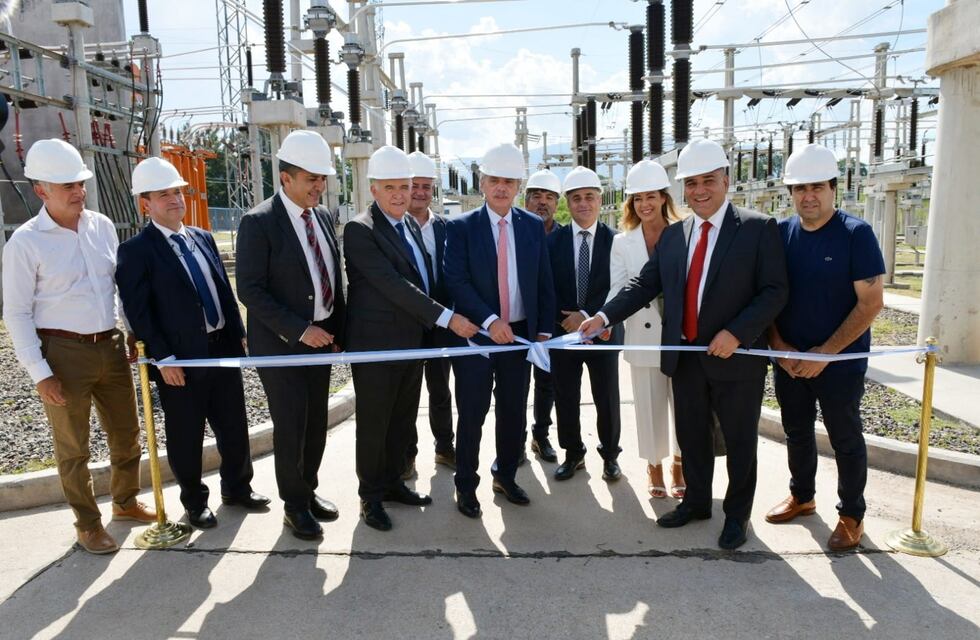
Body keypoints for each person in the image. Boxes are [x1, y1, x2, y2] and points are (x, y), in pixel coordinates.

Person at [580, 138, 788, 550]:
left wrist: (737, 333)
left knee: (740, 442)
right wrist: (603, 317)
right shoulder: (676, 236)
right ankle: (696, 502)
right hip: (686, 358)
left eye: (708, 180)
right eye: (691, 183)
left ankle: (736, 515)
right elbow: (642, 285)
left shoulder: (757, 228)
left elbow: (774, 291)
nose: (699, 190)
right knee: (692, 437)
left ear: (725, 180)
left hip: (736, 359)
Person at [2, 139, 155, 554]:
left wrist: (129, 330)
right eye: (67, 185)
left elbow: (115, 289)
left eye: (80, 183)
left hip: (110, 346)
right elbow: (16, 313)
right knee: (73, 447)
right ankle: (87, 525)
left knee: (126, 433)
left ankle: (125, 502)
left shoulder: (101, 226)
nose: (78, 191)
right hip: (62, 353)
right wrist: (41, 374)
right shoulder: (26, 243)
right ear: (41, 190)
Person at [116, 157, 269, 530]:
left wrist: (239, 332)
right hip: (180, 359)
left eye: (177, 192)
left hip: (222, 348)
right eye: (163, 194)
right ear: (145, 204)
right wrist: (163, 358)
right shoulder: (137, 251)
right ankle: (195, 502)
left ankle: (237, 488)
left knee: (233, 425)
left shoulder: (202, 237)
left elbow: (223, 290)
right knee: (186, 433)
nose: (174, 200)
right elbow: (139, 312)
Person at [344, 146, 478, 531]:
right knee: (375, 425)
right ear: (373, 189)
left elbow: (425, 280)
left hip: (410, 344)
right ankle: (370, 498)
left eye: (404, 186)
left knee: (401, 422)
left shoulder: (408, 226)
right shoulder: (361, 230)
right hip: (376, 348)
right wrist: (448, 318)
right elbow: (393, 285)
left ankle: (392, 484)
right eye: (390, 187)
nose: (400, 194)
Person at [764, 143, 885, 551]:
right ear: (791, 193)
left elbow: (871, 303)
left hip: (840, 363)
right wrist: (779, 347)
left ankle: (851, 515)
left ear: (834, 188)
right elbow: (769, 295)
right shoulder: (781, 234)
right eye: (800, 188)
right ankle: (802, 496)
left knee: (844, 437)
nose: (808, 196)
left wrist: (825, 354)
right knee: (796, 432)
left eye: (816, 186)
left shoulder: (855, 235)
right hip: (790, 362)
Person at [235, 130, 346, 541]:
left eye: (322, 178)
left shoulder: (321, 217)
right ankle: (294, 505)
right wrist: (300, 330)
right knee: (291, 425)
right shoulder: (259, 222)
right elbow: (250, 290)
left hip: (321, 342)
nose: (319, 186)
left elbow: (332, 277)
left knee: (315, 423)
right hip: (282, 347)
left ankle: (308, 490)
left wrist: (336, 329)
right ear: (286, 177)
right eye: (311, 178)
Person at [444, 143, 556, 519]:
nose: (501, 187)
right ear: (482, 183)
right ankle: (465, 485)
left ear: (519, 185)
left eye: (509, 181)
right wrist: (490, 321)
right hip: (476, 335)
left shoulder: (531, 226)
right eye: (494, 180)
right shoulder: (461, 227)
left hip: (519, 336)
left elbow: (543, 280)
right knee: (472, 413)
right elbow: (456, 281)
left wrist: (543, 331)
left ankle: (505, 476)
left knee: (513, 412)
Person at [608, 159, 685, 498]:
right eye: (637, 198)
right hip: (642, 335)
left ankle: (680, 464)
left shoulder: (685, 232)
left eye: (651, 196)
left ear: (664, 197)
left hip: (681, 336)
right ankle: (654, 465)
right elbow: (619, 288)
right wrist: (605, 320)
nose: (644, 204)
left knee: (684, 405)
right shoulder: (622, 242)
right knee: (648, 406)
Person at [548, 166, 623, 482]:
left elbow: (621, 287)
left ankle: (610, 455)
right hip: (564, 333)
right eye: (576, 198)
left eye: (589, 197)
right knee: (566, 396)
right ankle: (573, 453)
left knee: (607, 397)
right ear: (568, 202)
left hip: (604, 333)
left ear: (600, 199)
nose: (583, 203)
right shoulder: (553, 242)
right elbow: (546, 288)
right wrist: (567, 320)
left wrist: (592, 316)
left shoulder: (617, 241)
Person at [404, 150, 457, 473]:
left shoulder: (445, 228)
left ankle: (445, 447)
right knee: (408, 394)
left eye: (426, 186)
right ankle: (407, 455)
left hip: (441, 323)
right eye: (415, 186)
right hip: (407, 323)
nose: (421, 193)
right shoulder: (395, 228)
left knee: (440, 390)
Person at [523, 168, 562, 463]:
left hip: (553, 325)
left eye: (549, 197)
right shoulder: (515, 231)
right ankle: (514, 439)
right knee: (514, 384)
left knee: (547, 383)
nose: (542, 202)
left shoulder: (564, 237)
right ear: (526, 201)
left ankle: (541, 435)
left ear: (557, 204)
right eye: (536, 196)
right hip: (518, 323)